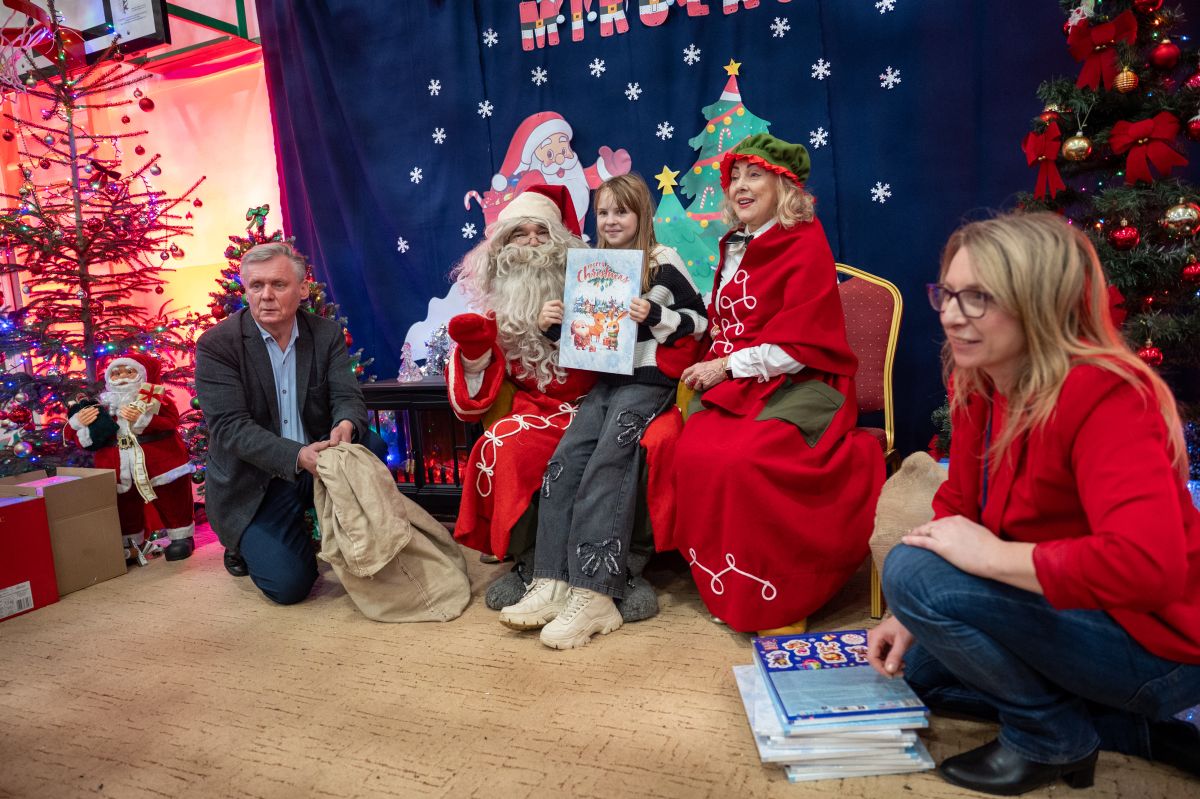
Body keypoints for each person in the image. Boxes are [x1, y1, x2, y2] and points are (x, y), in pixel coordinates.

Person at [868, 212, 1200, 795]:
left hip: (1158, 644)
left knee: (910, 572)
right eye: (947, 294)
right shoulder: (980, 383)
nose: (951, 315)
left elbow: (1148, 566)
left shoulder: (1109, 396)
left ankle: (1049, 738)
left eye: (978, 297)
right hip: (1062, 605)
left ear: (1040, 303)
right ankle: (1133, 733)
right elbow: (959, 505)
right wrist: (908, 615)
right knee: (917, 675)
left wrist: (991, 558)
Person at [671, 133, 885, 634]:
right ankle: (732, 583)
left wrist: (727, 366)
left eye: (755, 175)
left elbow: (801, 344)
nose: (741, 187)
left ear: (783, 185)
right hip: (745, 383)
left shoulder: (803, 241)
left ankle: (784, 593)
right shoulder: (734, 244)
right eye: (735, 178)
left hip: (805, 378)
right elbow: (728, 323)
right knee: (697, 450)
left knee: (749, 459)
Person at [497, 173, 706, 649]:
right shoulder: (592, 265)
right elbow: (589, 336)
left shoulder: (662, 261)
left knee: (606, 466)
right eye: (604, 212)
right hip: (606, 380)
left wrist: (655, 316)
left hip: (647, 382)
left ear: (641, 214)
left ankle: (595, 591)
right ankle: (552, 578)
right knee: (565, 462)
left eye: (621, 211)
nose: (611, 220)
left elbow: (699, 322)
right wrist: (553, 327)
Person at [195, 241, 378, 605]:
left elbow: (347, 396)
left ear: (302, 289)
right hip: (255, 479)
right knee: (289, 586)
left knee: (373, 445)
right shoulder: (218, 345)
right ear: (246, 290)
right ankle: (243, 542)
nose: (266, 295)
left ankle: (356, 533)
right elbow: (230, 427)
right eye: (256, 285)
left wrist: (345, 424)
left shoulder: (324, 334)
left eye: (278, 284)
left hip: (317, 460)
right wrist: (297, 456)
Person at [65, 352, 196, 561]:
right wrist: (79, 423)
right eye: (116, 373)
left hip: (160, 462)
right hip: (118, 465)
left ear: (143, 375)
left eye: (129, 372)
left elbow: (171, 422)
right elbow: (84, 440)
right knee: (125, 506)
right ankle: (132, 543)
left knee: (172, 499)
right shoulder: (102, 407)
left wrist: (144, 419)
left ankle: (181, 536)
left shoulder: (158, 400)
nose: (122, 377)